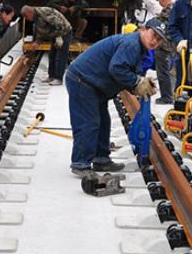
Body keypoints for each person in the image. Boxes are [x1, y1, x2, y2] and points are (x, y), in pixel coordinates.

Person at [65, 19, 167, 178]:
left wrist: (138, 83)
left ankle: (101, 158)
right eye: (154, 35)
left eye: (159, 39)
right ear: (144, 29)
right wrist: (136, 82)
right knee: (89, 123)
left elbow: (126, 69)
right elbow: (117, 69)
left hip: (93, 83)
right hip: (83, 81)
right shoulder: (131, 44)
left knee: (103, 122)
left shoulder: (139, 47)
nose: (155, 41)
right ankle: (81, 163)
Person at [20, 5, 72, 85]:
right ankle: (51, 76)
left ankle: (58, 79)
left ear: (30, 12)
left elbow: (59, 24)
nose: (27, 19)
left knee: (61, 55)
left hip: (64, 32)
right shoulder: (36, 18)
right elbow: (41, 31)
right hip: (55, 35)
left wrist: (59, 36)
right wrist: (37, 42)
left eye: (26, 16)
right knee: (52, 55)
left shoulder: (44, 12)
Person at [154, 0, 176, 104]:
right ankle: (168, 95)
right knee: (166, 71)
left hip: (165, 45)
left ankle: (167, 96)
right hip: (169, 44)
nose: (159, 4)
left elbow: (161, 24)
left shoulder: (170, 9)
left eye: (160, 1)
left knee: (163, 71)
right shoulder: (174, 8)